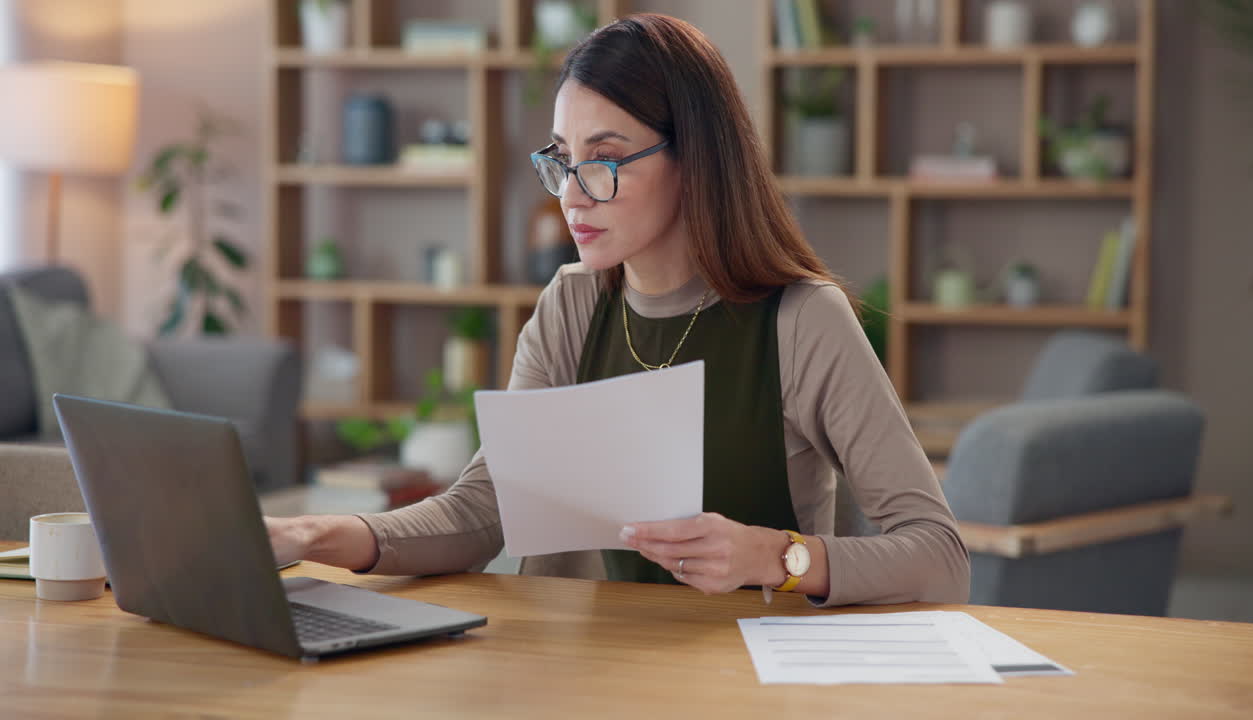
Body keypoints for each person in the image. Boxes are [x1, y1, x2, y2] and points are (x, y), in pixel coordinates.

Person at [267, 14, 969, 607]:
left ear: (696, 158)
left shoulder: (800, 320)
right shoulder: (570, 307)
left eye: (604, 159)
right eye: (562, 160)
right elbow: (484, 511)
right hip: (587, 673)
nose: (572, 195)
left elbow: (940, 556)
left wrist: (777, 558)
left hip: (747, 681)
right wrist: (309, 536)